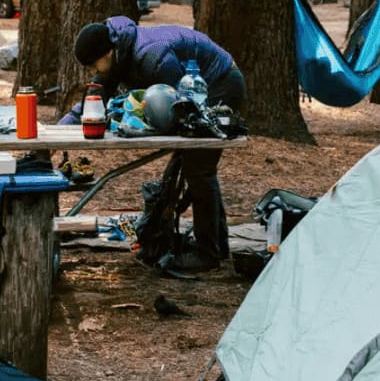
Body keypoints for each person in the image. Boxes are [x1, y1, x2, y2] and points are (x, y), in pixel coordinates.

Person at [59, 17, 244, 272]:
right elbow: (94, 100)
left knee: (199, 168)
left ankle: (207, 255)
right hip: (192, 88)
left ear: (108, 53)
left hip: (221, 83)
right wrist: (58, 130)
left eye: (94, 65)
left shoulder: (152, 56)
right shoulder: (117, 55)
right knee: (199, 169)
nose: (94, 71)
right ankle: (217, 246)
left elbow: (181, 106)